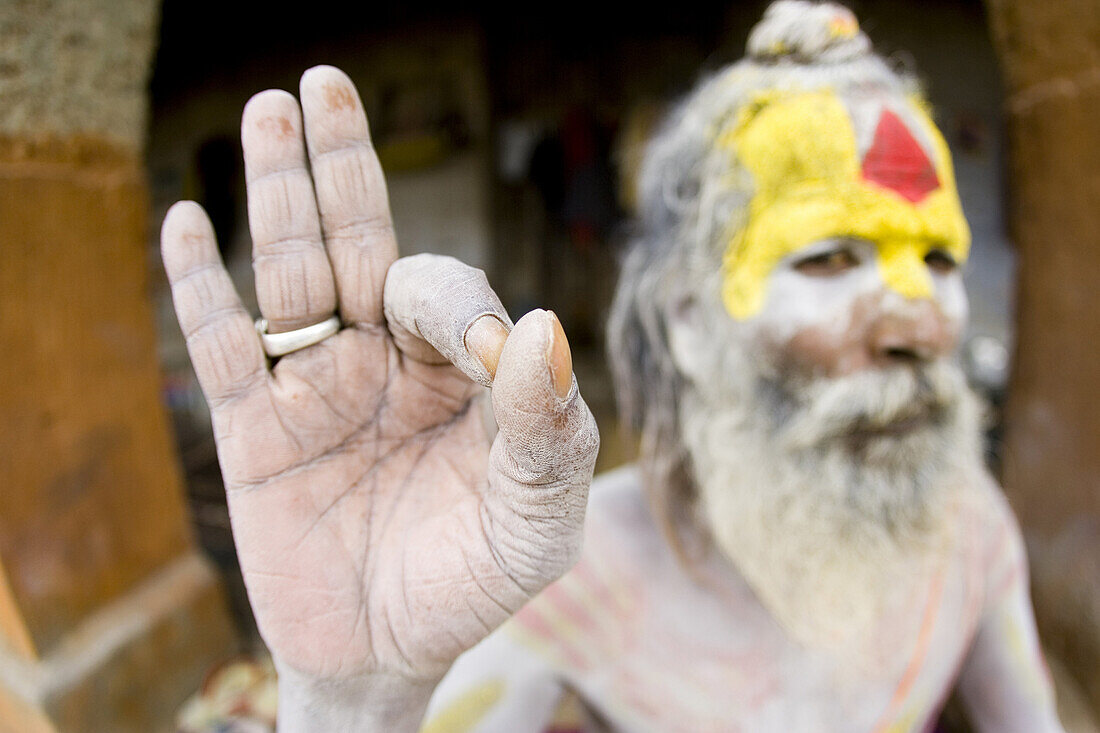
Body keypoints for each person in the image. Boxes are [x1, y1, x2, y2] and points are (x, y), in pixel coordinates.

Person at [160, 2, 1065, 730]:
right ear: (686, 321)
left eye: (937, 260)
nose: (919, 322)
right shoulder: (572, 571)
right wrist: (353, 705)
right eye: (829, 257)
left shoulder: (972, 529)